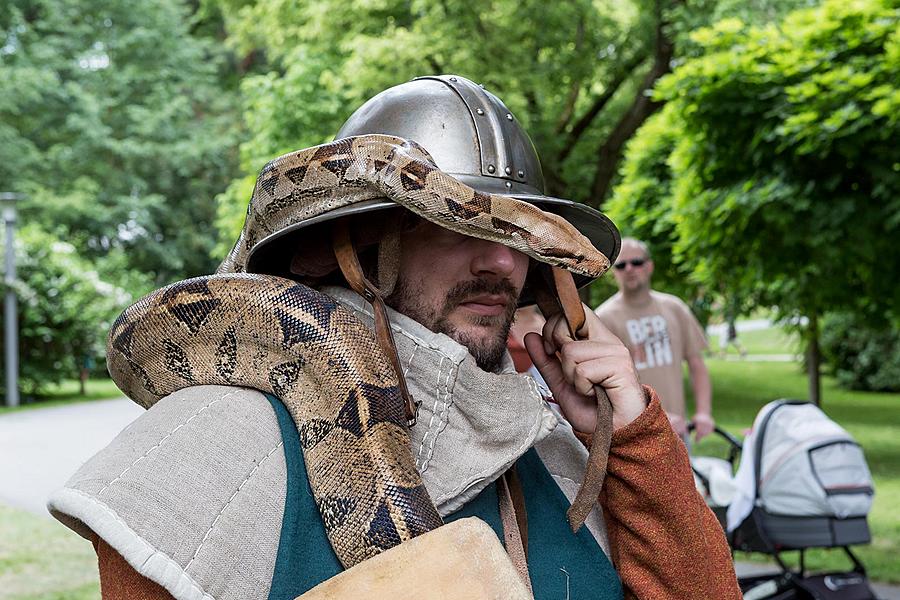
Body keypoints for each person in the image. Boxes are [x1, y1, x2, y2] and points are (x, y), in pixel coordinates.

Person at [49, 76, 739, 599]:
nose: (503, 262)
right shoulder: (209, 450)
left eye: (519, 235)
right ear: (348, 246)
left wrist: (633, 440)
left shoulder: (554, 445)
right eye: (459, 227)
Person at [594, 238, 714, 442]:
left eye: (637, 263)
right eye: (622, 265)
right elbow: (602, 386)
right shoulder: (602, 319)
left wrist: (703, 412)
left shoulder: (674, 308)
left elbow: (696, 364)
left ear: (649, 266)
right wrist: (655, 416)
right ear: (614, 272)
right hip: (636, 434)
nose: (630, 269)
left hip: (679, 430)